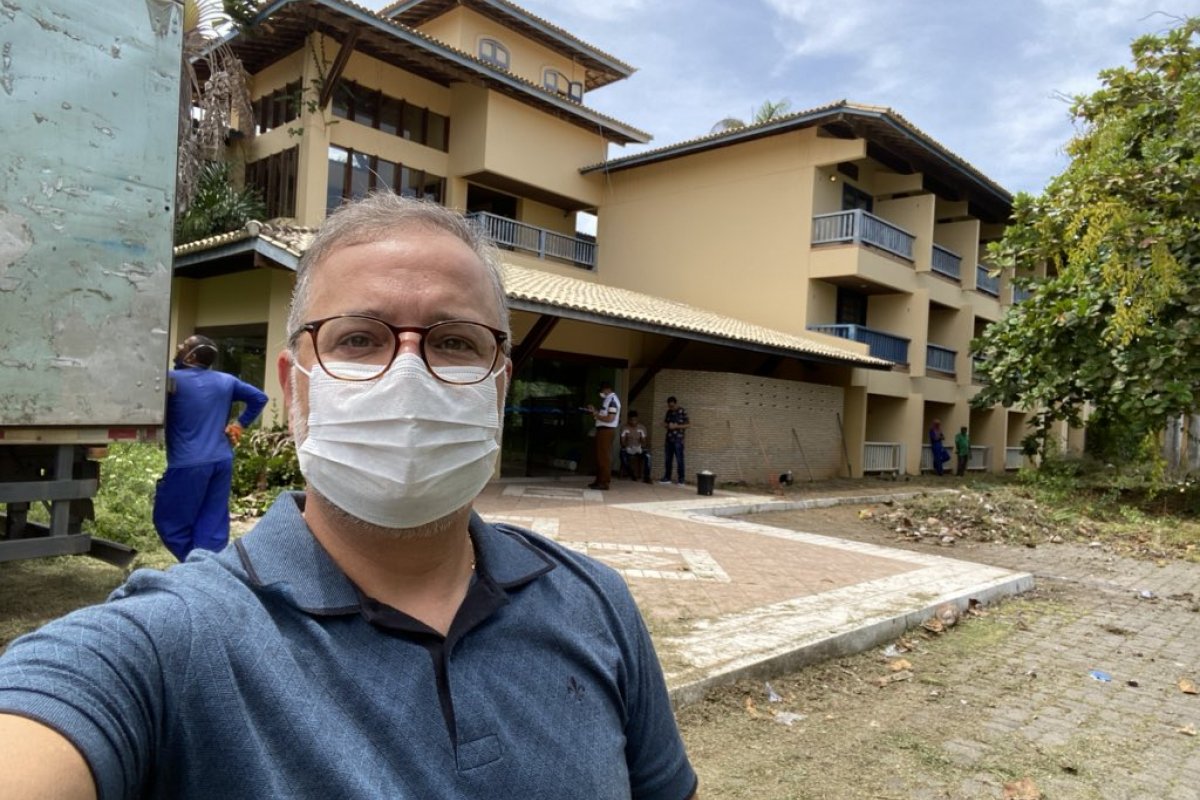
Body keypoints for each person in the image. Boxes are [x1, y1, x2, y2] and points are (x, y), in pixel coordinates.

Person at [0, 195, 698, 800]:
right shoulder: (166, 647)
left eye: (454, 342)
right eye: (360, 338)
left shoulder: (596, 603)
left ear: (501, 386)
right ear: (296, 382)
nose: (408, 374)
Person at [153, 334, 268, 561]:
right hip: (221, 461)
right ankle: (210, 567)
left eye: (184, 345)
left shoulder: (171, 380)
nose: (178, 347)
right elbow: (259, 397)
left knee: (169, 522)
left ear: (192, 356)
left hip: (188, 464)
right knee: (212, 522)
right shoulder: (227, 381)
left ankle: (197, 567)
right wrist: (239, 424)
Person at [586, 380, 620, 490]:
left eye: (601, 390)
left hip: (607, 430)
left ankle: (604, 482)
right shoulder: (607, 400)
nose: (601, 392)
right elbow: (604, 415)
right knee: (600, 457)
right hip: (602, 430)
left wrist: (596, 414)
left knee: (604, 457)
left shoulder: (612, 400)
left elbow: (610, 418)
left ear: (606, 389)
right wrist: (594, 411)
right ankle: (599, 480)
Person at [658, 396, 690, 486]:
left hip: (678, 439)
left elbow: (688, 424)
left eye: (672, 406)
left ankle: (681, 479)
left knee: (680, 459)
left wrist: (676, 426)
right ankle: (667, 477)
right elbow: (665, 422)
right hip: (669, 439)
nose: (671, 408)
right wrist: (666, 425)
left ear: (676, 403)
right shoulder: (668, 412)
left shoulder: (682, 411)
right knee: (668, 459)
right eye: (669, 406)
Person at [620, 410, 652, 483]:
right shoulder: (625, 428)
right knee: (622, 455)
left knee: (648, 456)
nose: (633, 422)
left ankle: (647, 477)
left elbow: (644, 441)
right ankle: (631, 473)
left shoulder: (642, 428)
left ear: (637, 419)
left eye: (635, 420)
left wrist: (641, 446)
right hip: (628, 448)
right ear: (628, 419)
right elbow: (622, 442)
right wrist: (627, 446)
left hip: (638, 448)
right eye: (631, 420)